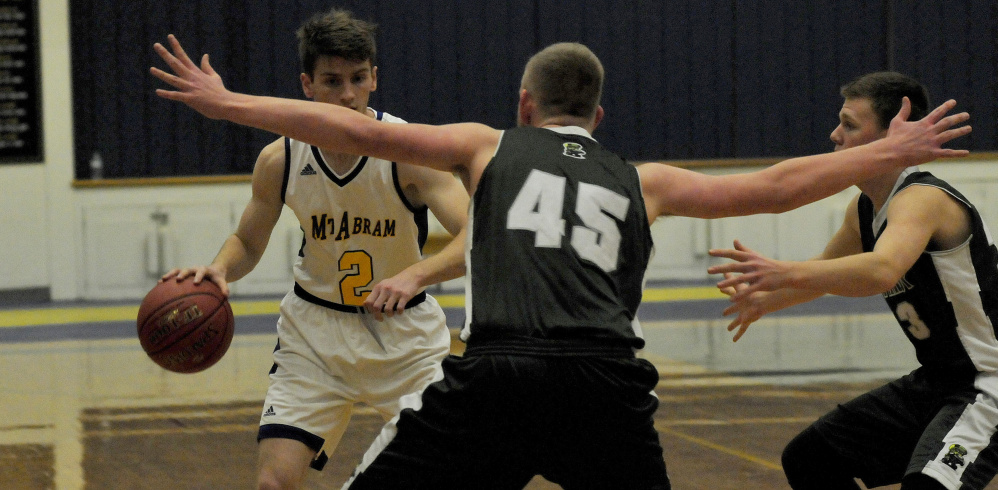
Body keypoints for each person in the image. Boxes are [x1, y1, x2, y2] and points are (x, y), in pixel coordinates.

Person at [151, 36, 970, 489]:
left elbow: (358, 131)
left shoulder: (484, 146)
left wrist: (228, 104)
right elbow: (778, 187)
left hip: (499, 377)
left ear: (524, 107)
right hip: (605, 388)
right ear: (600, 116)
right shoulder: (644, 180)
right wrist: (888, 150)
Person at [157, 10, 469, 489]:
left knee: (442, 471)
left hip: (405, 336)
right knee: (273, 484)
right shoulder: (279, 159)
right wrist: (220, 268)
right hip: (314, 335)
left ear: (374, 79)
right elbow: (247, 240)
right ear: (307, 85)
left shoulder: (410, 152)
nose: (346, 94)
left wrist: (417, 275)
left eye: (358, 78)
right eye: (332, 80)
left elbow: (480, 235)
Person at [708, 72, 997, 490]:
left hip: (987, 382)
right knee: (811, 457)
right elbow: (826, 272)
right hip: (938, 381)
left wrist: (783, 270)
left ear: (894, 132)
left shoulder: (922, 199)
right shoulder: (863, 209)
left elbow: (881, 269)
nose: (834, 134)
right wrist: (764, 300)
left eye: (849, 124)